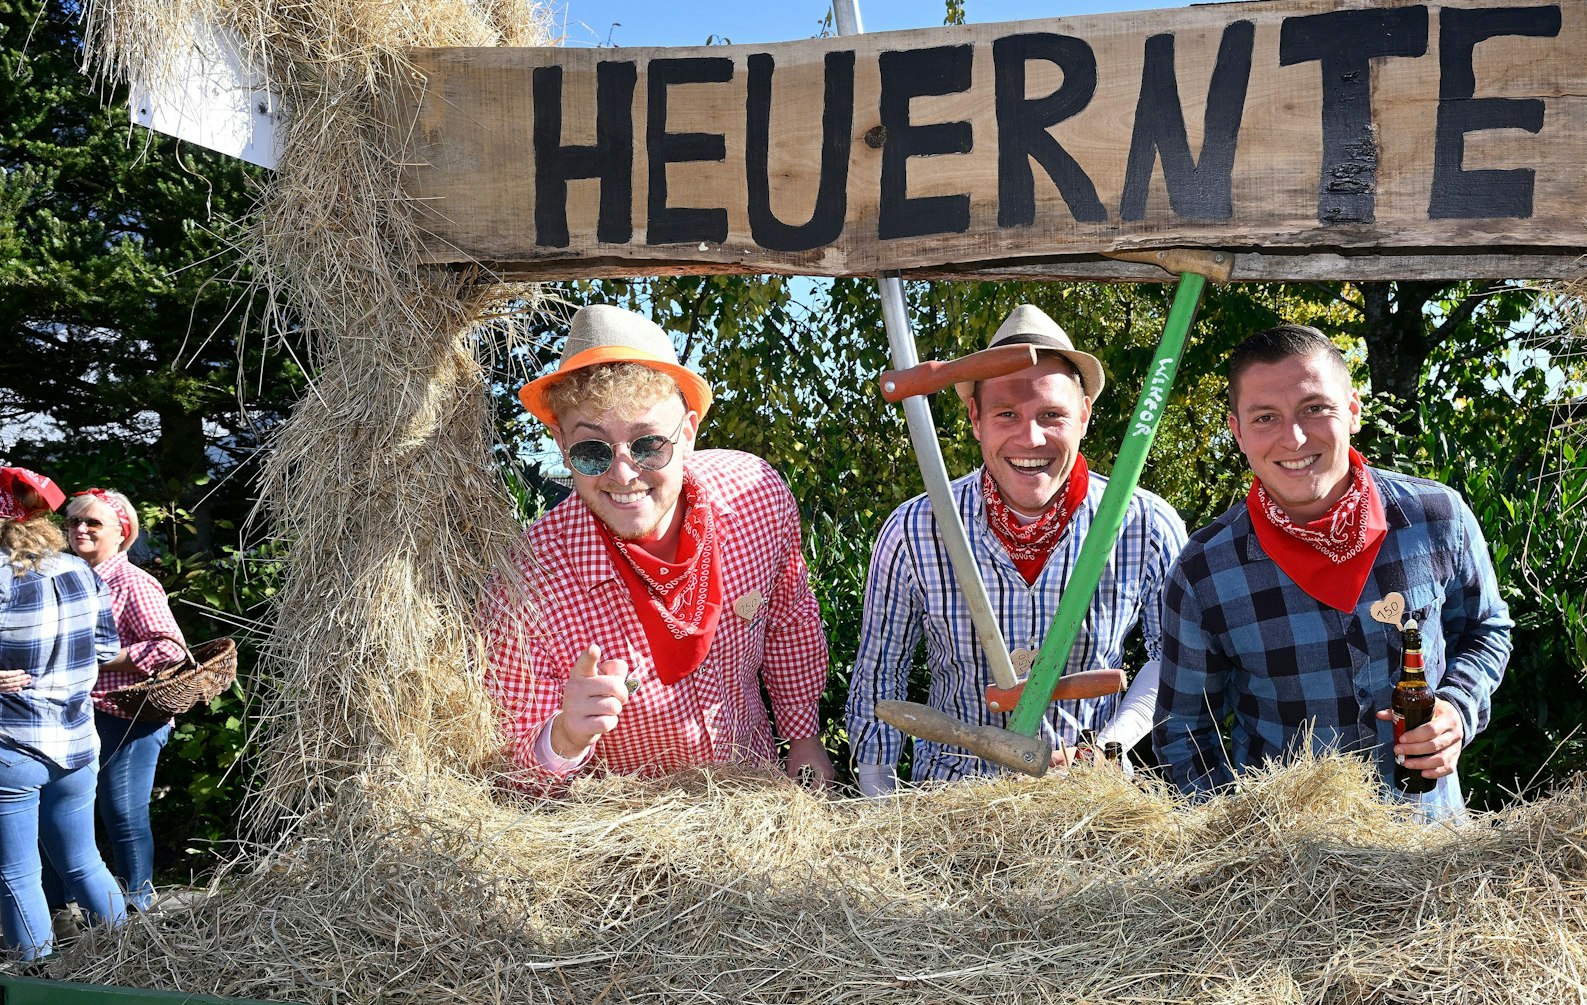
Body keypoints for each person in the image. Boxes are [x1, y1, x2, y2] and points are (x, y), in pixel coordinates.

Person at [1154, 325, 1513, 818]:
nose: (1294, 437)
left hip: (1432, 844)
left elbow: (1486, 629)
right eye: (1265, 417)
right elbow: (1184, 734)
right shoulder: (1204, 571)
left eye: (1314, 408)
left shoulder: (1436, 518)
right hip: (1284, 856)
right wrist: (1230, 842)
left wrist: (1457, 707)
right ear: (1238, 433)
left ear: (1353, 410)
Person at [483, 305, 832, 790]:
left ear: (686, 433)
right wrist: (563, 738)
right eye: (592, 451)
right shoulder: (525, 585)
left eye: (648, 445)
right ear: (562, 444)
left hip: (756, 793)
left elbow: (788, 620)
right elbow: (510, 769)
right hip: (627, 825)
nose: (623, 474)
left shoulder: (757, 498)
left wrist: (803, 737)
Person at [846, 305, 1189, 794]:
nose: (1030, 438)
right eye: (1007, 413)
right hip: (950, 805)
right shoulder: (915, 529)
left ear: (1084, 416)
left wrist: (1109, 747)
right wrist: (878, 796)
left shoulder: (1145, 524)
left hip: (1088, 803)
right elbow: (880, 674)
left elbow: (1174, 660)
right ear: (975, 418)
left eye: (1052, 415)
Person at [0, 466, 128, 958]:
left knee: (17, 874)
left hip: (12, 743)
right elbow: (106, 647)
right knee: (83, 861)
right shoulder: (79, 570)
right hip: (76, 739)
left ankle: (33, 983)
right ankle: (135, 959)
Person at [59, 487, 185, 911]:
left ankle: (137, 907)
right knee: (64, 813)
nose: (80, 529)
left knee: (123, 814)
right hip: (78, 713)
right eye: (74, 521)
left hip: (128, 717)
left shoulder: (133, 582)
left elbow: (170, 648)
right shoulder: (68, 577)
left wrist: (104, 658)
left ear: (121, 532)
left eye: (93, 522)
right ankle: (64, 908)